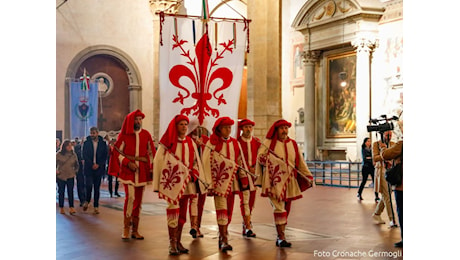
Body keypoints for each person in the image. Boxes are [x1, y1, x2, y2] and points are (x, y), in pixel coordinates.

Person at [153, 115, 208, 255]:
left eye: (185, 124)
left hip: (188, 184)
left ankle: (178, 241)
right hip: (173, 184)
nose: (184, 127)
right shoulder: (167, 143)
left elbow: (195, 161)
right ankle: (172, 243)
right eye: (181, 124)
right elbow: (159, 161)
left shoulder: (191, 142)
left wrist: (195, 171)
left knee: (182, 214)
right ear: (175, 126)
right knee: (173, 210)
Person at [255, 119, 314, 247]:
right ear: (277, 130)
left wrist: (308, 176)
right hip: (273, 182)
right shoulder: (268, 143)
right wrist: (271, 159)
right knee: (279, 208)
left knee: (286, 209)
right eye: (282, 128)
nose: (284, 131)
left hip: (289, 181)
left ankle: (281, 234)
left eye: (286, 128)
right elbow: (260, 158)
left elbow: (300, 162)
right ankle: (281, 237)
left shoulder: (292, 144)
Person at [202, 116, 253, 252]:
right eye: (225, 127)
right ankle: (224, 238)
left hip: (232, 182)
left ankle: (223, 234)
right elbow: (206, 162)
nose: (228, 130)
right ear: (219, 129)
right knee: (221, 209)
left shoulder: (234, 143)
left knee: (229, 210)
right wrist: (209, 183)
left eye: (230, 127)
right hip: (218, 182)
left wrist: (243, 179)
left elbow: (240, 162)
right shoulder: (212, 143)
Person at [108, 109, 156, 240]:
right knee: (130, 198)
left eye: (140, 119)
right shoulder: (124, 135)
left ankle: (135, 229)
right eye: (136, 119)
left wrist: (151, 168)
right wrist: (128, 163)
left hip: (142, 172)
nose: (139, 121)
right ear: (131, 121)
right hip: (127, 172)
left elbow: (151, 153)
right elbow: (117, 153)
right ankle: (126, 228)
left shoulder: (146, 134)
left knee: (138, 202)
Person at [236, 119, 260, 237]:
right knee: (244, 201)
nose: (248, 129)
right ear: (241, 129)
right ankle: (247, 226)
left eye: (250, 127)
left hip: (254, 176)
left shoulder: (256, 141)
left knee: (251, 202)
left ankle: (246, 222)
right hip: (242, 175)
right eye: (246, 127)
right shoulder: (237, 142)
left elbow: (261, 157)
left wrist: (255, 168)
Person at [382, 120, 403, 248]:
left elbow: (385, 154)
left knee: (402, 211)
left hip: (402, 185)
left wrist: (384, 148)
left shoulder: (401, 144)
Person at [371, 131, 397, 228]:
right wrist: (384, 154)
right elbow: (375, 158)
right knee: (387, 196)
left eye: (390, 135)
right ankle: (392, 219)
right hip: (381, 171)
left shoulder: (393, 144)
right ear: (383, 135)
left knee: (387, 194)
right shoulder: (376, 144)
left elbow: (395, 155)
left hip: (391, 171)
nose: (389, 137)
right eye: (387, 135)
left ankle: (377, 214)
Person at [187, 126, 209, 238]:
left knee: (201, 202)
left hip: (204, 174)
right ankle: (193, 226)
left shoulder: (205, 139)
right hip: (192, 172)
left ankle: (198, 226)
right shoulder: (187, 139)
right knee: (193, 199)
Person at [82, 127, 108, 214]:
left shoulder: (103, 143)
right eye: (91, 133)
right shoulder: (86, 143)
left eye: (94, 133)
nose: (92, 135)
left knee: (97, 188)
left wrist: (99, 164)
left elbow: (105, 156)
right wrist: (92, 164)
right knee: (88, 185)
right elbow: (84, 155)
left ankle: (96, 206)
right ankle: (87, 200)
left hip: (98, 169)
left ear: (97, 133)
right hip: (89, 168)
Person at [56, 139, 80, 215]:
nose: (70, 147)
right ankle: (62, 207)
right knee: (61, 192)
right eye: (68, 145)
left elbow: (77, 164)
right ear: (64, 146)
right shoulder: (59, 154)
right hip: (61, 176)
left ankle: (71, 207)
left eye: (70, 145)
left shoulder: (73, 155)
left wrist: (75, 171)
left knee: (70, 192)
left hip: (70, 175)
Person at [357, 137, 379, 202]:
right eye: (368, 141)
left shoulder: (371, 149)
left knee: (375, 182)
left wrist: (371, 158)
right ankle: (359, 193)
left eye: (370, 141)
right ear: (365, 142)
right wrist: (372, 159)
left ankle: (377, 196)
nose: (369, 142)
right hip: (365, 167)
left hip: (372, 167)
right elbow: (365, 158)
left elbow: (373, 157)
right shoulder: (363, 149)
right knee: (364, 181)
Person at [74, 137, 86, 207]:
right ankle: (82, 199)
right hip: (79, 168)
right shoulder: (77, 148)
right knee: (80, 184)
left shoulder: (88, 149)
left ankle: (86, 198)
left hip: (86, 169)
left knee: (86, 185)